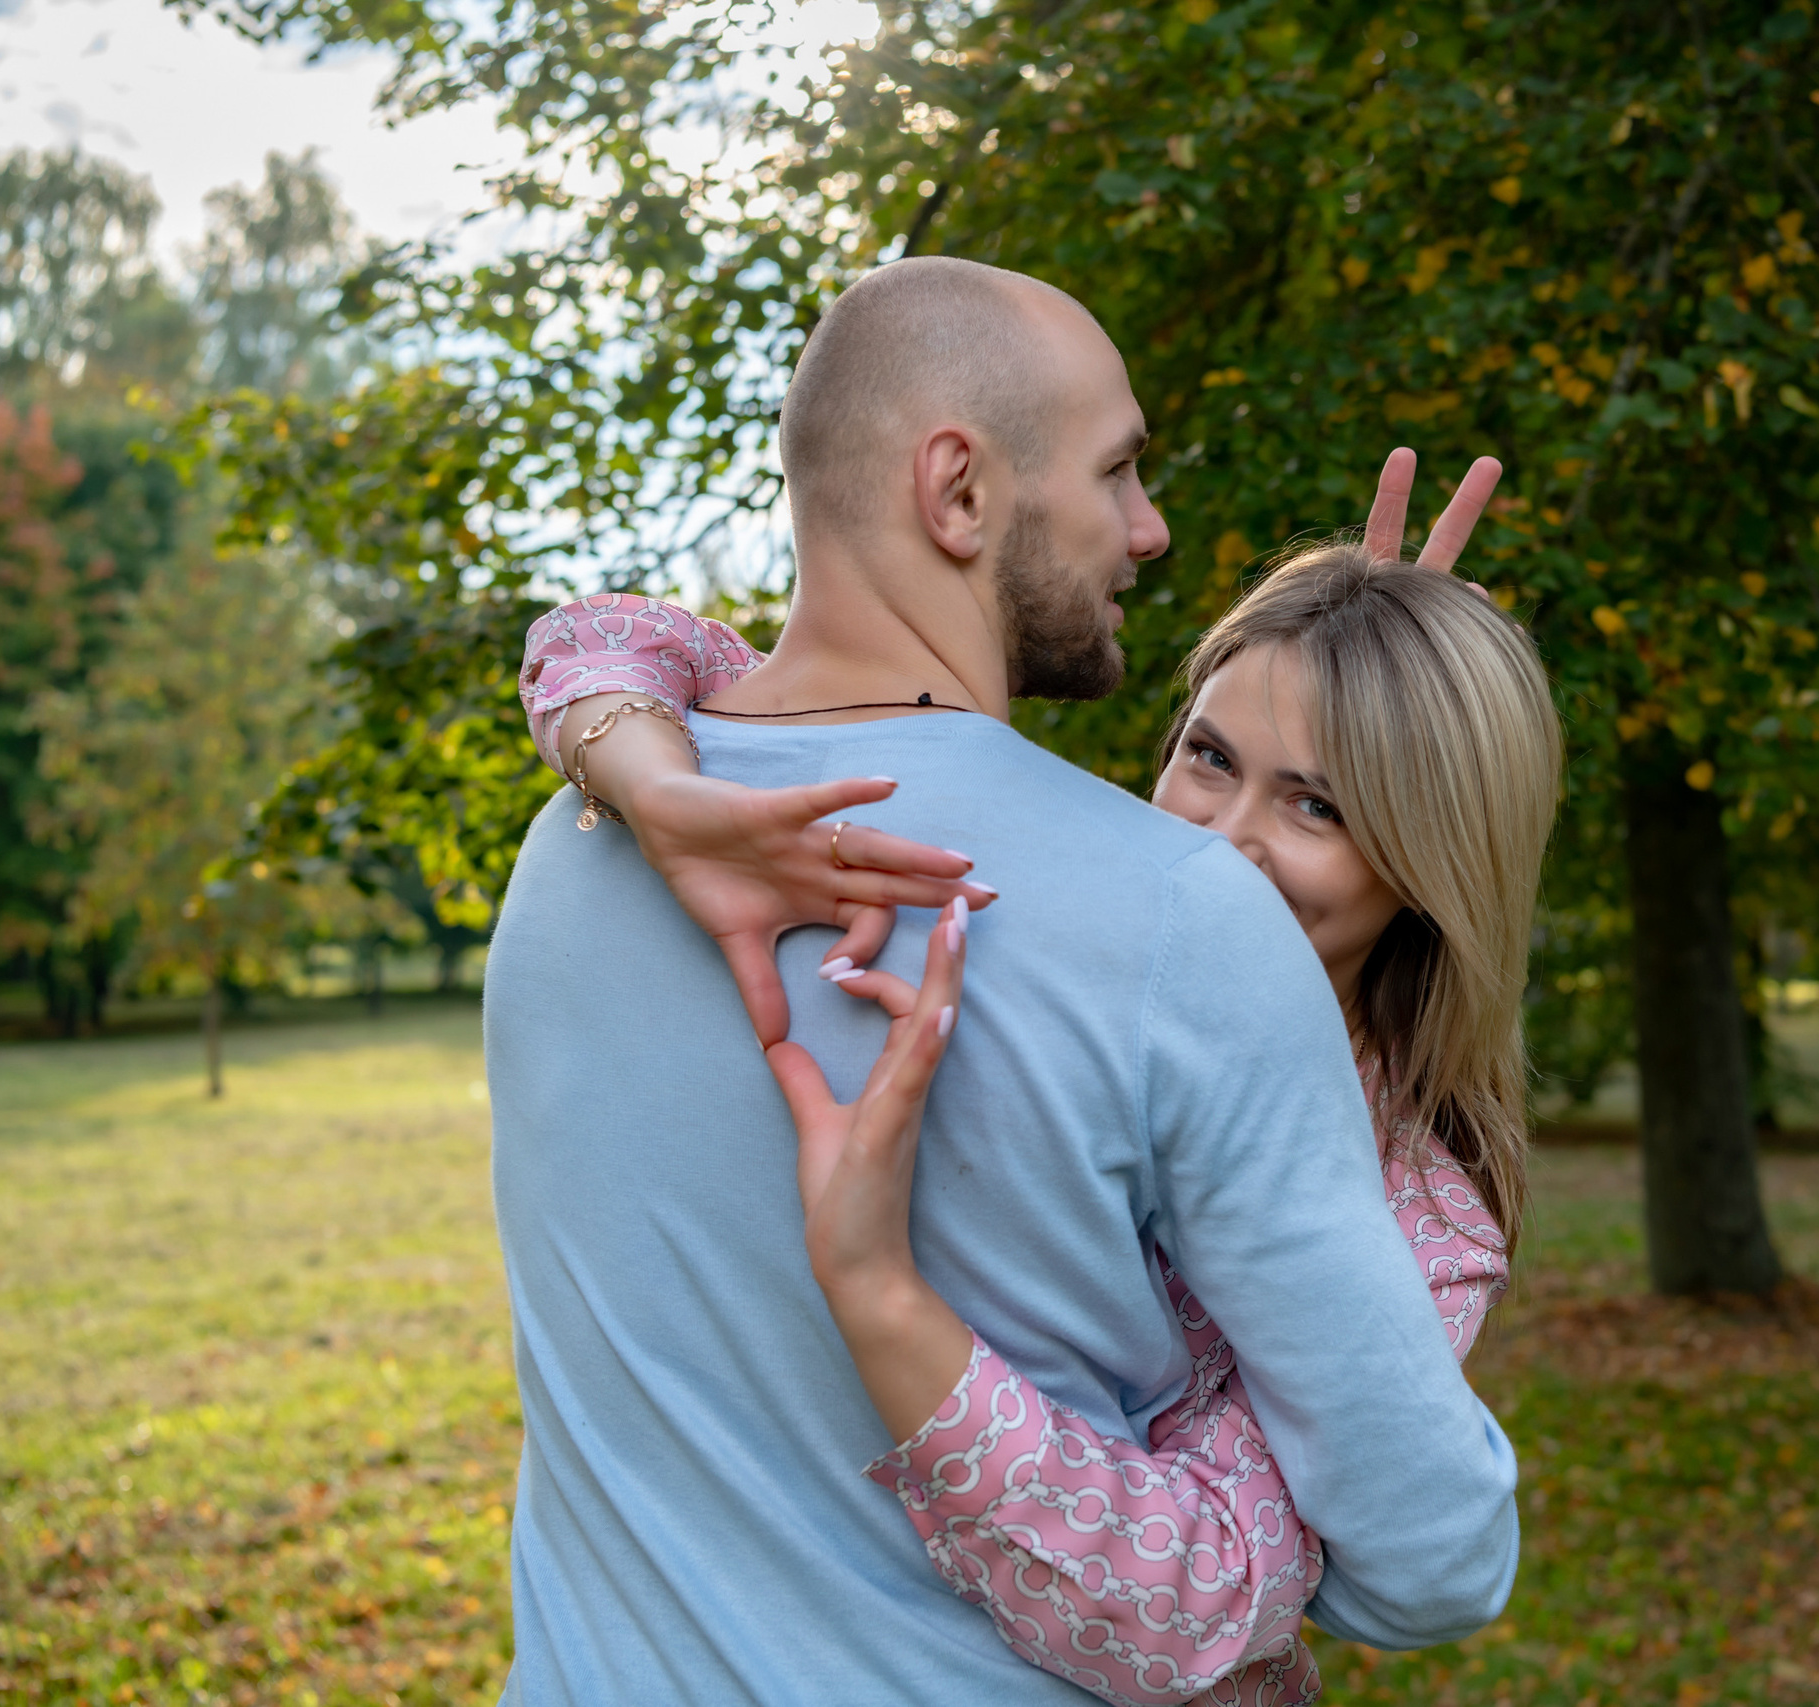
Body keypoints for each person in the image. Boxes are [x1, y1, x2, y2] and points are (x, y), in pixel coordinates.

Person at [481, 255, 1519, 1705]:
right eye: (1118, 471)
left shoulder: (586, 836)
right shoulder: (1172, 926)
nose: (1150, 529)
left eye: (1328, 803)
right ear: (960, 492)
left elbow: (613, 644)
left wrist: (1397, 686)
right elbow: (1428, 1558)